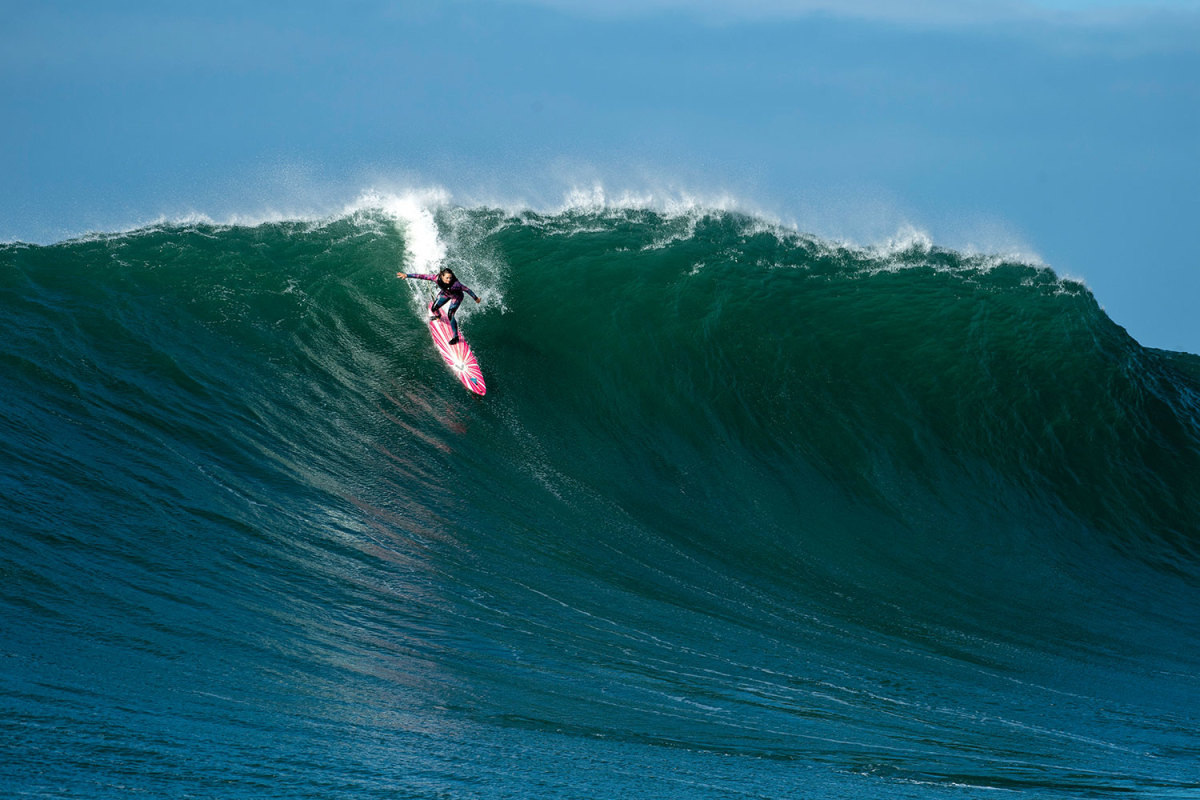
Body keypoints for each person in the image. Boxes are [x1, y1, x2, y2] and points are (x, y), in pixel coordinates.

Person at [397, 267, 482, 345]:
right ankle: (438, 316)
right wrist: (407, 275)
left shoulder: (456, 284)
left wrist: (476, 298)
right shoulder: (435, 278)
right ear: (442, 276)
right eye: (447, 278)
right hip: (445, 294)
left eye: (450, 278)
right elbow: (421, 276)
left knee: (450, 314)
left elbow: (467, 290)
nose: (449, 280)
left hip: (457, 296)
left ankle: (456, 337)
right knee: (434, 308)